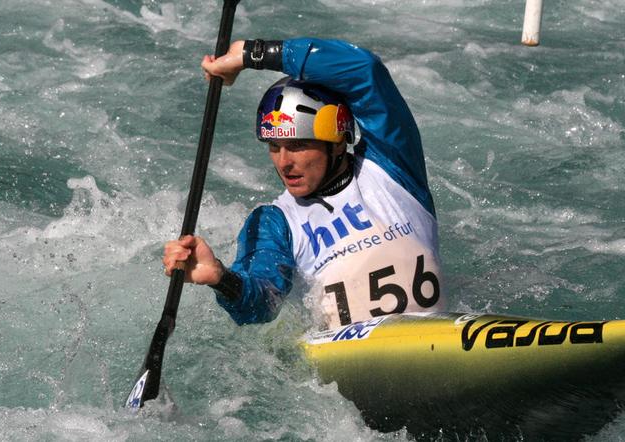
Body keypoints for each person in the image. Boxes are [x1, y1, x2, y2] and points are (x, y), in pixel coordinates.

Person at [163, 37, 446, 329]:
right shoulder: (274, 222)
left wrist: (254, 54)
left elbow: (365, 71)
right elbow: (262, 304)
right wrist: (221, 278)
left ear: (336, 141)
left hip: (437, 343)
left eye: (298, 145)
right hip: (346, 368)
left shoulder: (392, 168)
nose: (283, 161)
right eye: (274, 146)